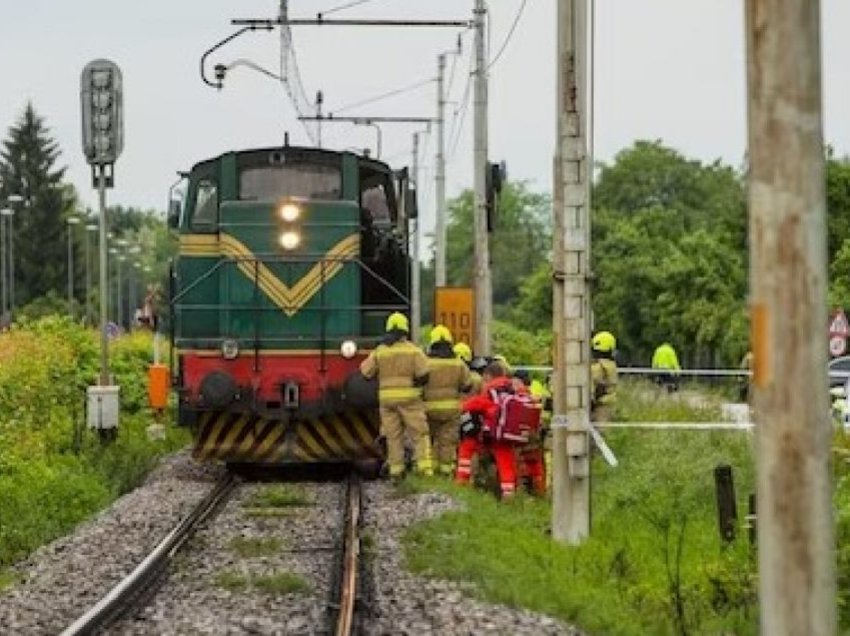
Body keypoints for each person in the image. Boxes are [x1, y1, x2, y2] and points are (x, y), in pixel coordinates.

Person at [360, 312, 432, 480]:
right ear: (405, 330)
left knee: (393, 436)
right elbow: (424, 374)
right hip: (410, 400)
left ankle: (396, 472)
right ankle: (425, 471)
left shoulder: (380, 351)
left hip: (387, 402)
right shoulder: (414, 351)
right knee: (419, 434)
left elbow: (365, 372)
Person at [456, 362, 525, 498]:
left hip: (491, 433)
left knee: (467, 447)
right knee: (506, 463)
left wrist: (464, 406)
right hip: (509, 432)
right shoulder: (514, 387)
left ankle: (461, 483)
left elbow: (479, 404)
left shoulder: (491, 388)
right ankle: (509, 494)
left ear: (488, 375)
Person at [424, 325, 472, 476]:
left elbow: (417, 381)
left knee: (428, 441)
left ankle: (428, 471)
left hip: (428, 409)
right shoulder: (459, 364)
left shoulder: (425, 363)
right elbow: (467, 385)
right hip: (451, 411)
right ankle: (445, 472)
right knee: (447, 442)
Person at [515, 369, 547, 495]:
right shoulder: (537, 389)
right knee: (536, 463)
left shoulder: (518, 394)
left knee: (521, 461)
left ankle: (523, 490)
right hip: (536, 432)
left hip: (521, 433)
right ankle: (539, 490)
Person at [590, 331, 618, 422]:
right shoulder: (611, 365)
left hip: (600, 406)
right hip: (609, 403)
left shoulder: (597, 366)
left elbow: (593, 386)